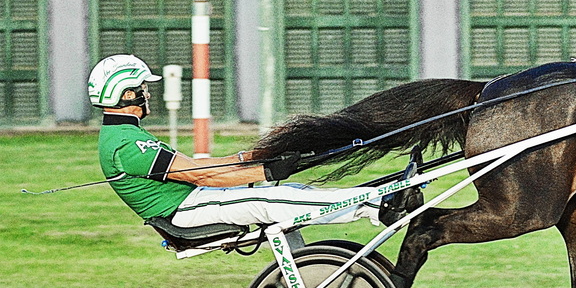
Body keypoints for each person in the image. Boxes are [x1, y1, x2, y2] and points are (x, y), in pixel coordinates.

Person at [89, 54, 380, 230]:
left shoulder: (126, 135)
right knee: (268, 199)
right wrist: (266, 172)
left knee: (288, 191)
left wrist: (251, 157)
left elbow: (196, 166)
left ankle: (369, 202)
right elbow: (200, 175)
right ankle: (372, 203)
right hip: (184, 211)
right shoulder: (125, 144)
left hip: (190, 201)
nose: (146, 93)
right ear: (125, 94)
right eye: (141, 87)